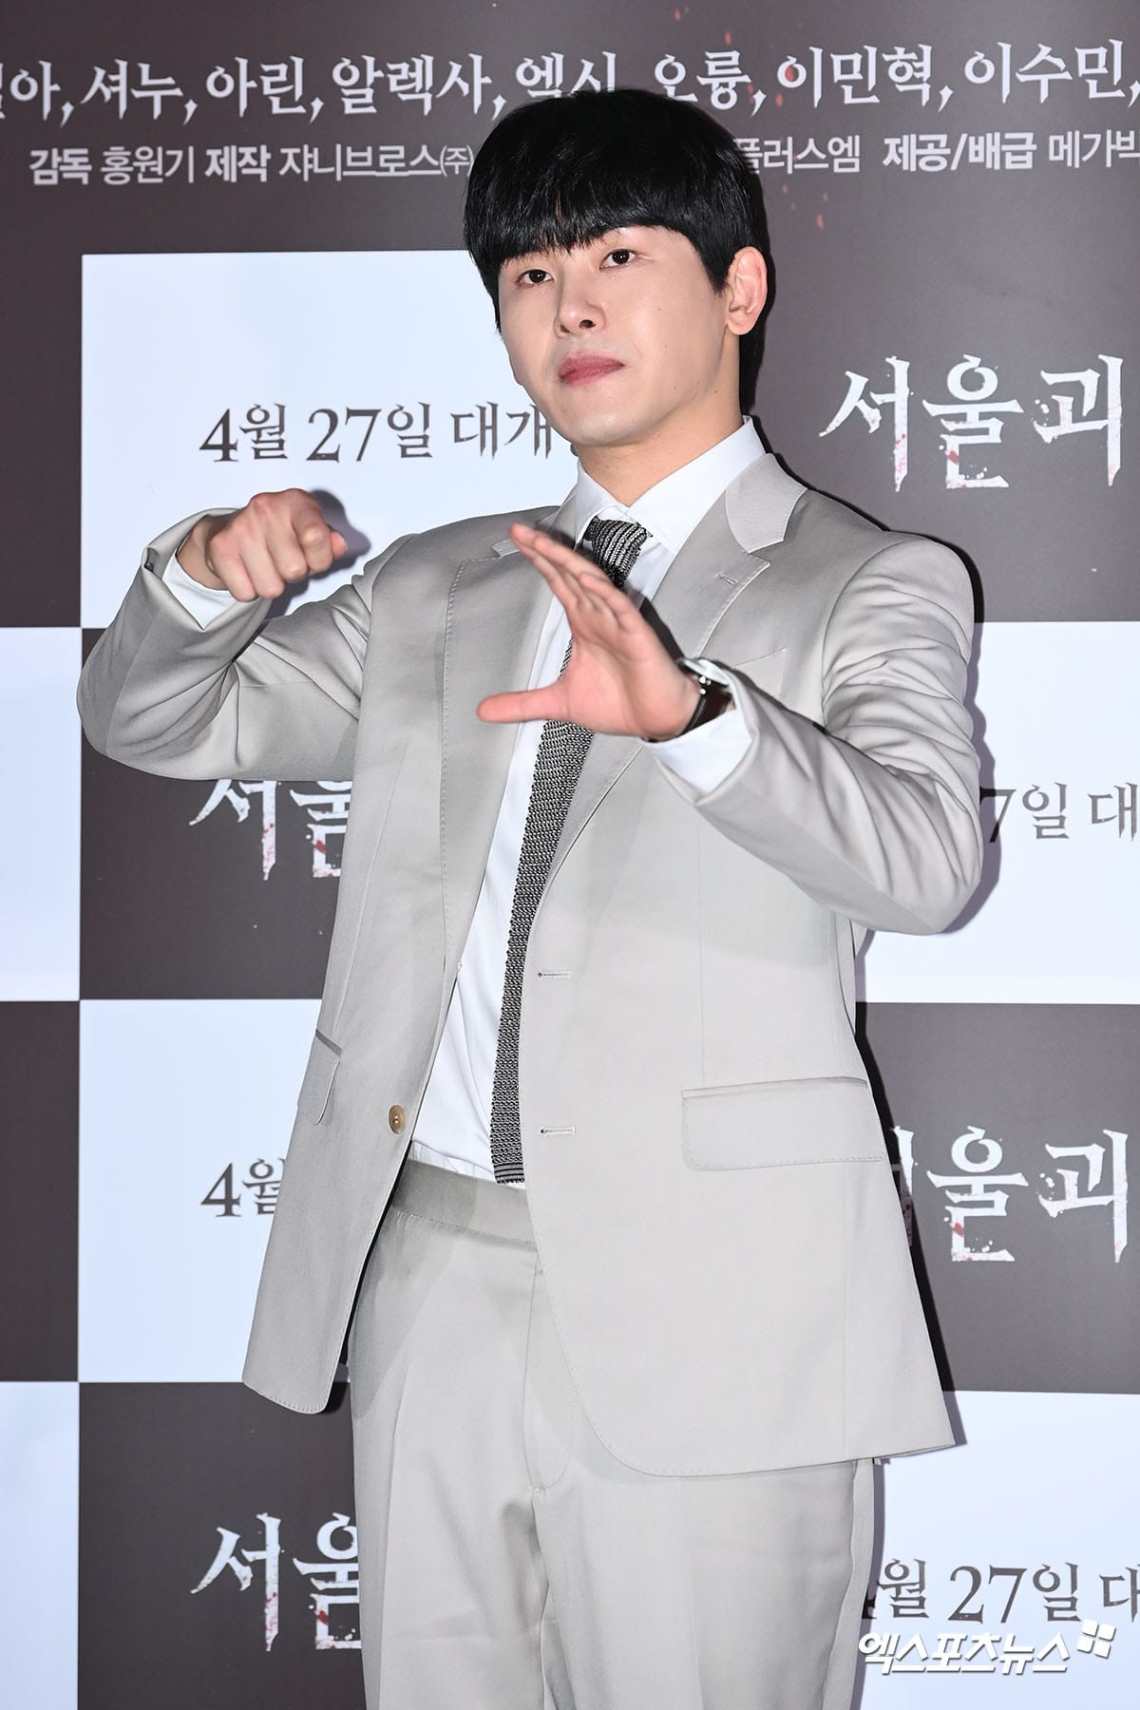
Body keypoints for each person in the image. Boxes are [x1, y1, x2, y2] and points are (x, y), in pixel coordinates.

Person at [77, 85, 983, 1710]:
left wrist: (697, 721)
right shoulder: (436, 581)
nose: (570, 307)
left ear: (740, 288)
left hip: (723, 1306)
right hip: (431, 1276)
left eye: (618, 256)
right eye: (528, 275)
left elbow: (928, 862)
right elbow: (152, 718)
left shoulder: (868, 578)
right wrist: (200, 573)